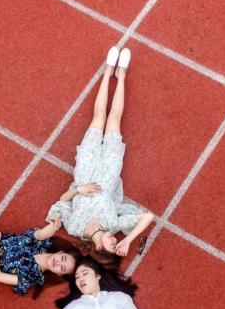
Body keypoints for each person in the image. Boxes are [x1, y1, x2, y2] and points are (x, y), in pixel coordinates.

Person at [46, 46, 155, 258]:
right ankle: (121, 75)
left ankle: (107, 71)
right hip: (110, 169)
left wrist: (78, 190)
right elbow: (148, 216)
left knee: (98, 117)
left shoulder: (75, 228)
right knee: (114, 118)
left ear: (97, 248)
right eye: (117, 243)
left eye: (112, 245)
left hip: (85, 169)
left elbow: (61, 201)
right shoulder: (113, 224)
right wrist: (128, 240)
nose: (115, 241)